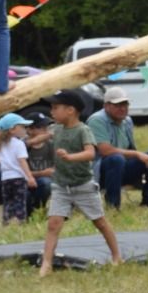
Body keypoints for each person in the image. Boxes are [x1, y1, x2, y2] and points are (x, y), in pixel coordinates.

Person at [41, 90, 122, 276]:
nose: (51, 112)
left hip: (83, 186)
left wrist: (70, 157)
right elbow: (45, 136)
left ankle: (117, 256)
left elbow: (90, 153)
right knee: (53, 223)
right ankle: (46, 263)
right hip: (61, 186)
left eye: (55, 108)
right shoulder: (56, 128)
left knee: (100, 222)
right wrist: (26, 140)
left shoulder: (83, 130)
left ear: (70, 110)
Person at [88, 88, 148, 210]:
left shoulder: (127, 121)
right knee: (116, 159)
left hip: (121, 168)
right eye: (117, 105)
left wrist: (136, 155)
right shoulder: (97, 120)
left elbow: (128, 149)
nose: (122, 108)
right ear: (106, 106)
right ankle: (113, 205)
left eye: (125, 104)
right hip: (100, 173)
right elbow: (105, 150)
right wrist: (136, 154)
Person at [0, 112, 36, 224]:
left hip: (5, 178)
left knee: (8, 201)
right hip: (18, 178)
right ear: (12, 130)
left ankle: (6, 221)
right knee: (19, 201)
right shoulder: (19, 144)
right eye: (22, 127)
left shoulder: (0, 144)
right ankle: (20, 221)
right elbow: (22, 162)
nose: (25, 129)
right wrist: (30, 177)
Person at [24, 111, 54, 210]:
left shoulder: (50, 144)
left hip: (47, 180)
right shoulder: (22, 145)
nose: (46, 129)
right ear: (30, 129)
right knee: (45, 182)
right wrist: (42, 173)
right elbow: (22, 172)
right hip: (28, 181)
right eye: (42, 127)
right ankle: (36, 208)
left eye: (46, 126)